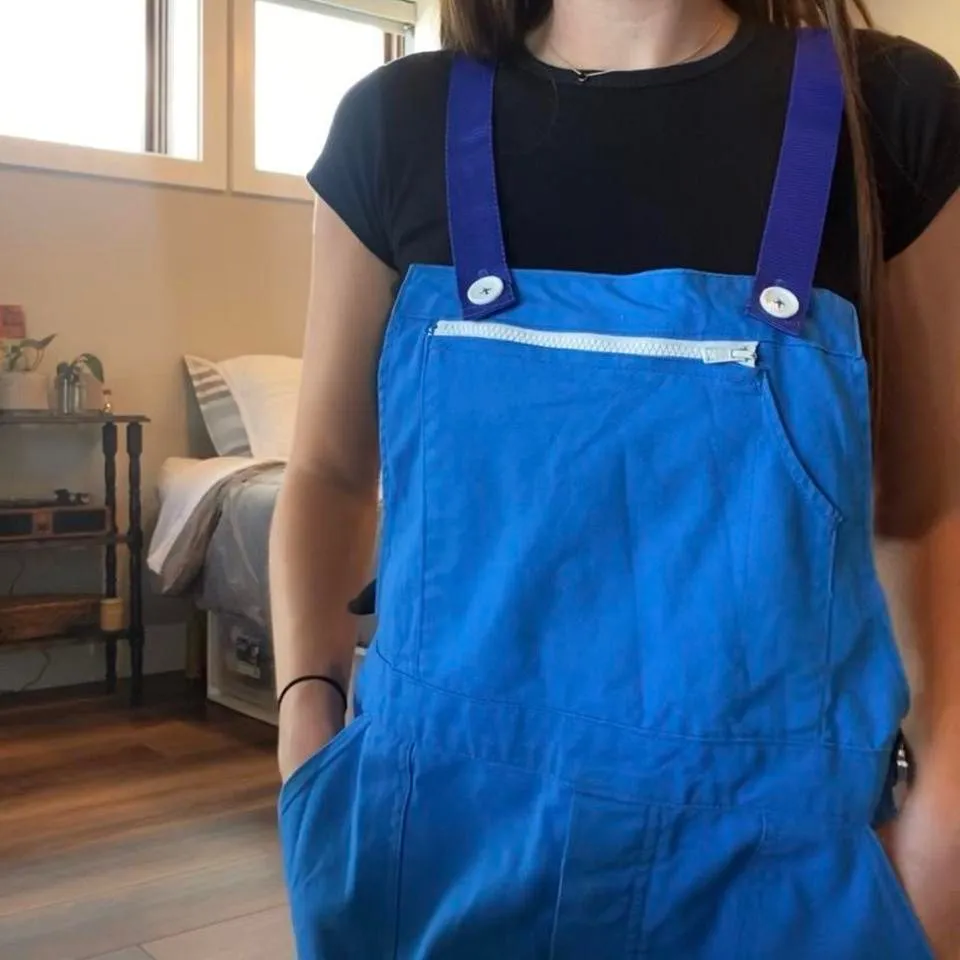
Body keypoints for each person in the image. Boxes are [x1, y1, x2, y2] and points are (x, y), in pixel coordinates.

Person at [269, 0, 960, 955]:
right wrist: (305, 713)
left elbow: (926, 512)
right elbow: (329, 474)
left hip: (779, 871)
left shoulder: (886, 106)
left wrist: (946, 809)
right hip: (429, 842)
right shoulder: (393, 123)